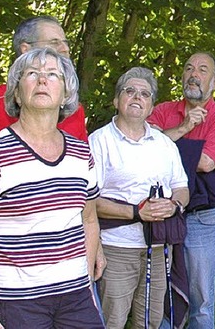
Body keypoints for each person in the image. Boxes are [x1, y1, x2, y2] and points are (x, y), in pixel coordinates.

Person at [0, 48, 102, 328]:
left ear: (66, 93)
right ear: (17, 93)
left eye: (53, 74)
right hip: (16, 301)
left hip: (75, 299)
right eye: (32, 74)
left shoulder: (81, 152)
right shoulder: (0, 152)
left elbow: (89, 219)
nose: (43, 80)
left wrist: (86, 282)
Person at [89, 67, 189, 329]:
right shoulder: (98, 142)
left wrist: (173, 204)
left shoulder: (164, 143)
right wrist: (136, 212)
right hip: (116, 249)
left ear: (151, 106)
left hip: (158, 248)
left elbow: (182, 188)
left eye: (144, 94)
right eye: (129, 91)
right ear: (116, 100)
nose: (137, 97)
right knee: (112, 321)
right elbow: (88, 202)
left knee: (151, 322)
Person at [147, 52, 215, 328]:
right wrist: (185, 127)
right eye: (189, 68)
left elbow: (206, 163)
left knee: (201, 301)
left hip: (202, 220)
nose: (194, 74)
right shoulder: (162, 110)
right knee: (160, 296)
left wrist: (166, 143)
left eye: (203, 70)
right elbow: (143, 148)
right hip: (161, 215)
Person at [0, 15, 88, 141]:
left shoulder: (74, 110)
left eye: (66, 43)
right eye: (54, 43)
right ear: (26, 50)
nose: (65, 49)